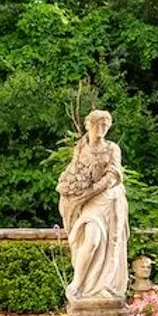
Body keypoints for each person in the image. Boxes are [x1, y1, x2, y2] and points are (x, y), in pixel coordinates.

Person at [57, 110, 129, 301]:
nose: (102, 129)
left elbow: (113, 175)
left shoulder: (112, 148)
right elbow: (75, 170)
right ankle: (78, 283)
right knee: (92, 239)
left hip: (110, 199)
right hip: (91, 204)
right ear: (89, 125)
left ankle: (105, 285)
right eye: (98, 124)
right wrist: (69, 187)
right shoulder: (80, 146)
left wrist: (89, 192)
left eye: (106, 125)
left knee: (112, 243)